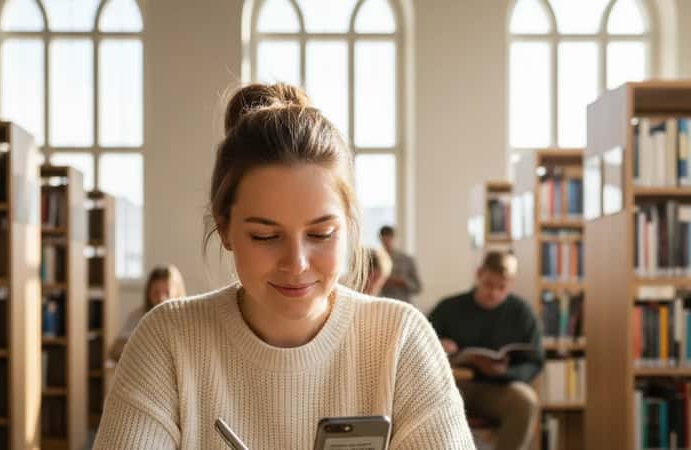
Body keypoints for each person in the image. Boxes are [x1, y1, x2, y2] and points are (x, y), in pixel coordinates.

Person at [93, 83, 473, 449]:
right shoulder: (167, 341)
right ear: (225, 229)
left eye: (321, 234)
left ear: (349, 226)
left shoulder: (400, 340)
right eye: (264, 236)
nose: (297, 263)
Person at [429, 251, 544, 450]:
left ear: (511, 283)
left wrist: (507, 374)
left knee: (525, 401)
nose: (494, 293)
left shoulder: (522, 313)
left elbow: (535, 361)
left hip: (498, 389)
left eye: (502, 287)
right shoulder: (449, 308)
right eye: (489, 285)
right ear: (479, 274)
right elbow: (418, 346)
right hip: (454, 385)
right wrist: (439, 344)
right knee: (430, 400)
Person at [108, 265, 186, 362]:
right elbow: (114, 351)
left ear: (177, 292)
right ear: (148, 293)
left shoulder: (186, 319)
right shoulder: (138, 316)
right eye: (156, 293)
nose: (161, 298)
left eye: (167, 293)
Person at [378, 225, 422, 303]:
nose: (387, 242)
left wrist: (403, 282)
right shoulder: (374, 260)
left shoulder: (406, 260)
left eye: (389, 238)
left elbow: (418, 288)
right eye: (384, 239)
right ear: (380, 239)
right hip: (382, 303)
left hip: (403, 303)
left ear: (394, 238)